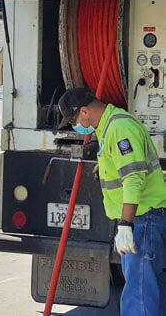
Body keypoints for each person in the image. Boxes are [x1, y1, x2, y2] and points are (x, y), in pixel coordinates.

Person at [58, 87, 166, 316]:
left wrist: (126, 226)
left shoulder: (119, 127)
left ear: (85, 111)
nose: (75, 125)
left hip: (141, 221)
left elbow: (134, 177)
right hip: (140, 221)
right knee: (146, 290)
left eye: (74, 120)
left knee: (140, 296)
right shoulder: (109, 128)